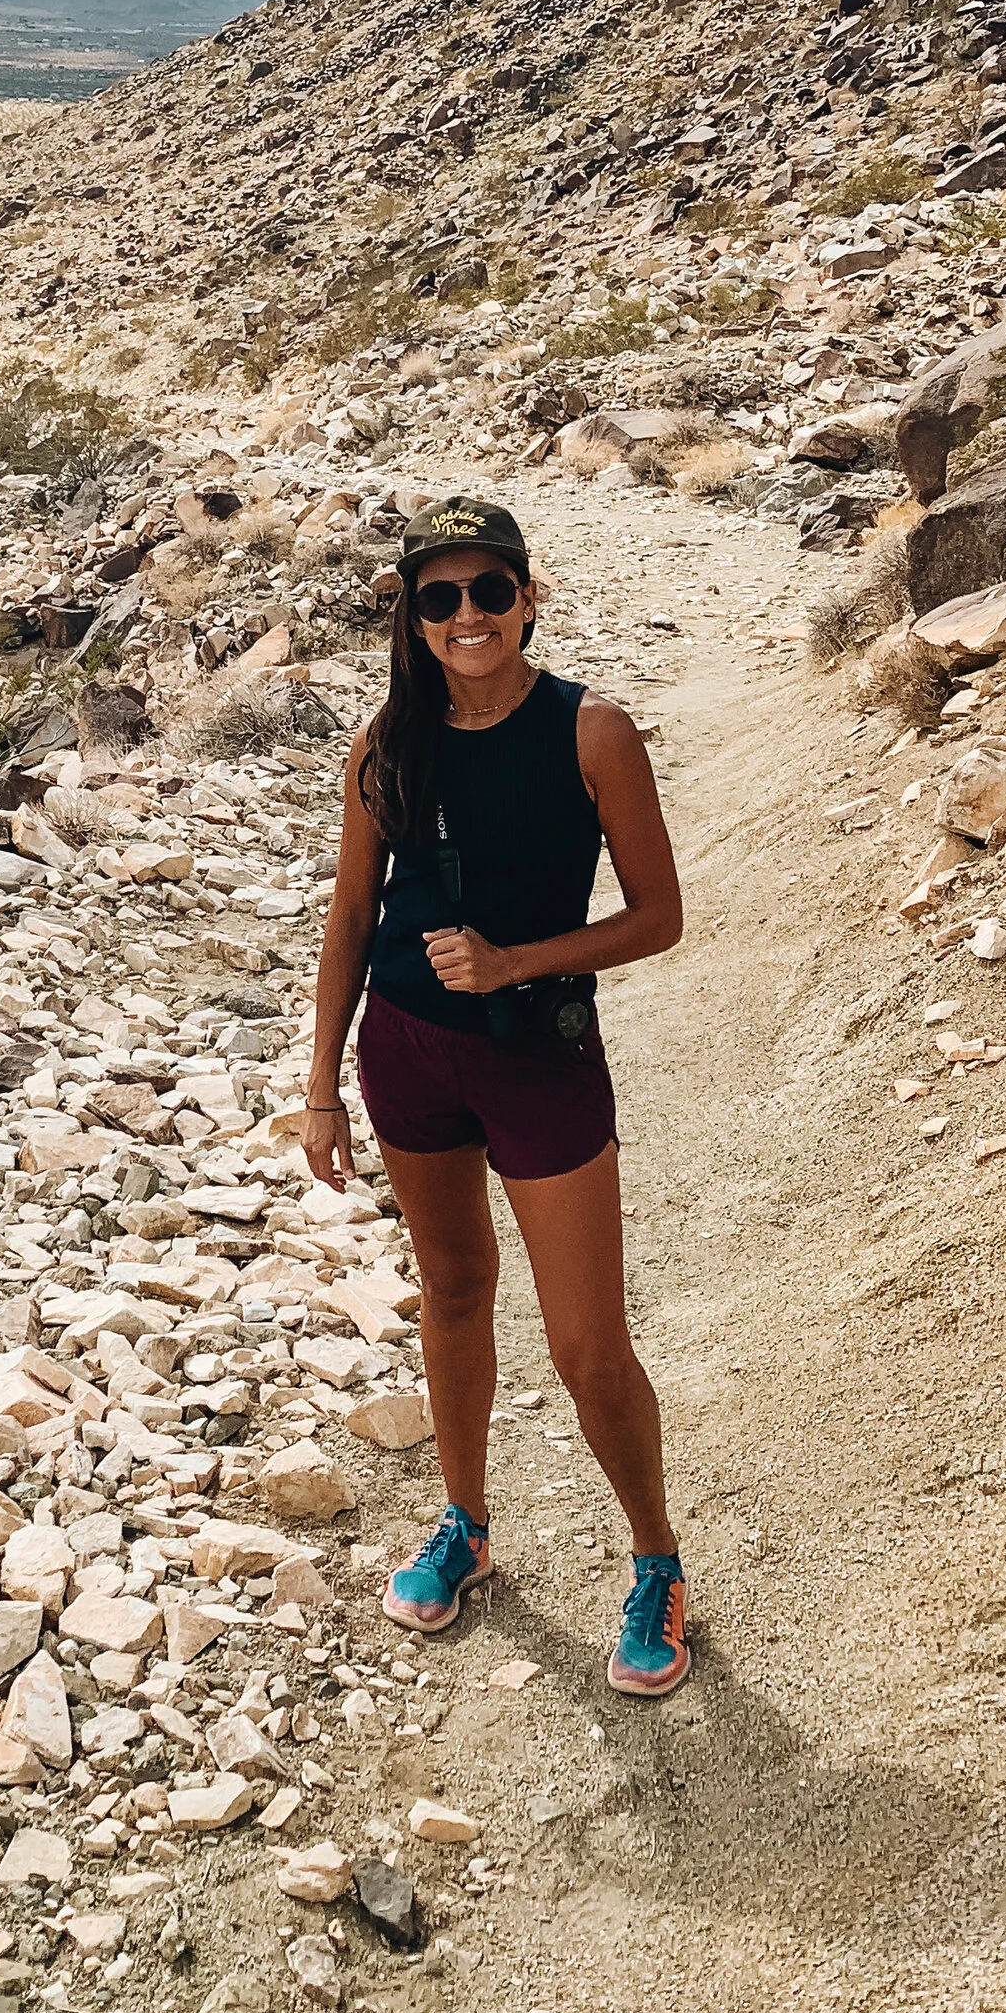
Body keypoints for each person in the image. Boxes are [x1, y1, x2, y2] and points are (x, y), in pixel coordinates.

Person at [300, 494, 692, 1698]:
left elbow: (658, 917)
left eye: (488, 591)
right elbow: (353, 914)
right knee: (453, 1292)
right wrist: (320, 1083)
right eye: (439, 598)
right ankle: (464, 1527)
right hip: (408, 1051)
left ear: (527, 598)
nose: (466, 616)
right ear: (413, 621)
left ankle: (657, 1561)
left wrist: (520, 961)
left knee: (585, 1345)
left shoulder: (593, 733)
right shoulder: (386, 743)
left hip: (537, 1055)